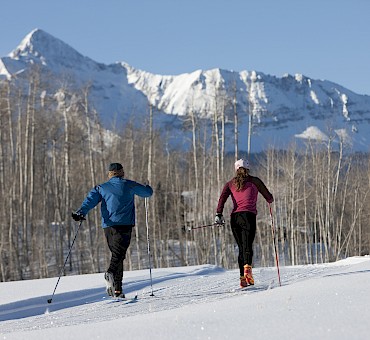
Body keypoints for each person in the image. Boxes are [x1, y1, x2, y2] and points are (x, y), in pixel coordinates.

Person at [72, 162, 153, 298]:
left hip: (108, 226)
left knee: (118, 255)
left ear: (109, 174)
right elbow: (147, 193)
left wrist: (81, 212)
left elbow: (90, 201)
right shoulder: (129, 184)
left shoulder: (101, 188)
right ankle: (109, 273)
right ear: (122, 172)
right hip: (124, 225)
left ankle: (118, 290)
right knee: (119, 255)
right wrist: (147, 186)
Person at [215, 159, 273, 288]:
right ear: (248, 169)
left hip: (235, 218)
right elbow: (269, 197)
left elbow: (222, 199)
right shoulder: (255, 181)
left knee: (241, 248)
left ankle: (242, 277)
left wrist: (218, 214)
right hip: (248, 216)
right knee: (248, 246)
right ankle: (248, 270)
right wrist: (269, 199)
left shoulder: (230, 184)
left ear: (236, 169)